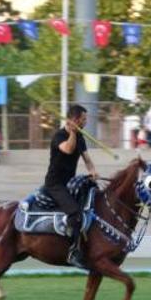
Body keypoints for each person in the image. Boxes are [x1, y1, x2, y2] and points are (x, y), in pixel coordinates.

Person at [44, 104, 98, 268]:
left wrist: (93, 171)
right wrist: (73, 132)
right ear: (74, 120)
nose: (86, 122)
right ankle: (73, 252)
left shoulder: (80, 137)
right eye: (83, 119)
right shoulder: (59, 136)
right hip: (55, 184)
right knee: (76, 214)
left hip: (70, 183)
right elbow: (68, 149)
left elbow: (87, 159)